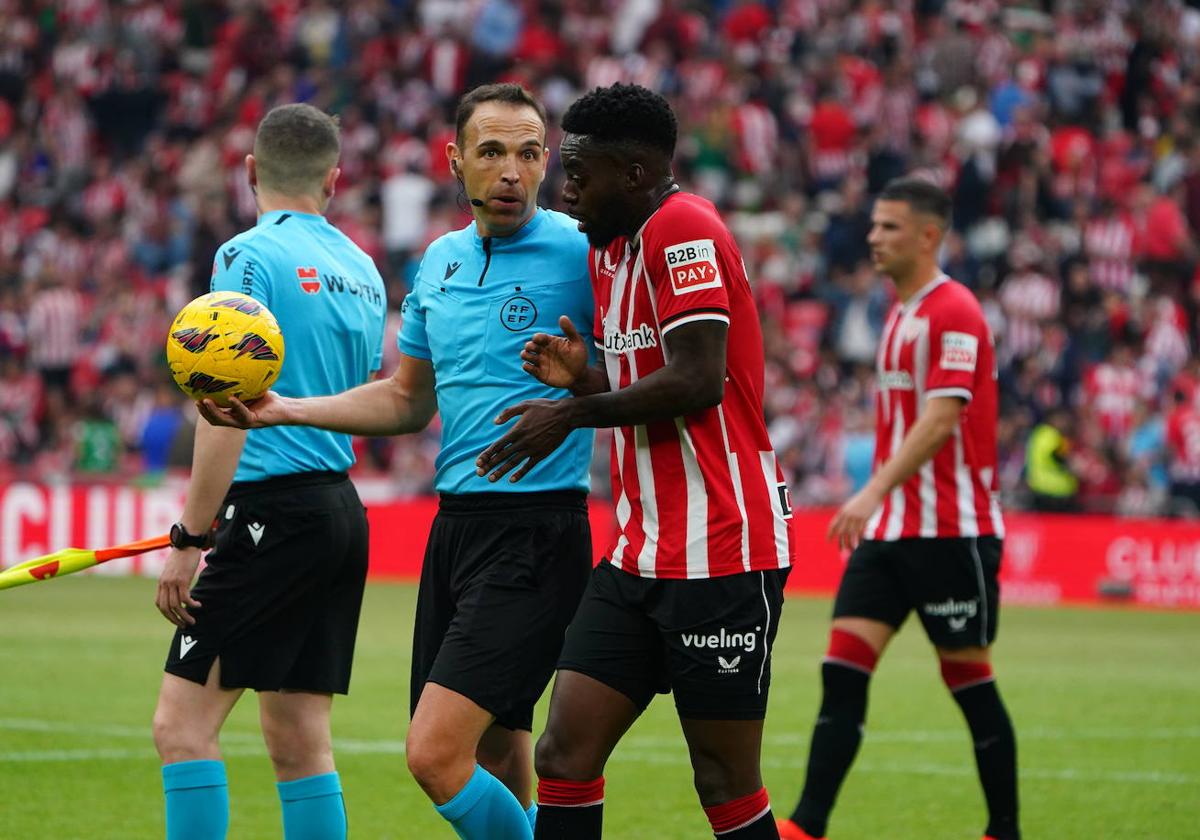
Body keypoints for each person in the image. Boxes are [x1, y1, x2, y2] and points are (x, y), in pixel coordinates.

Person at [200, 83, 595, 840]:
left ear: (547, 162)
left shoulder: (583, 251)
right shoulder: (439, 264)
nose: (510, 170)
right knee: (495, 748)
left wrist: (583, 381)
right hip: (457, 533)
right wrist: (286, 408)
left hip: (539, 531)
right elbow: (408, 401)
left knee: (433, 756)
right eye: (490, 152)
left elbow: (639, 375)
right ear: (455, 160)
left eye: (527, 153)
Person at [475, 83, 794, 840]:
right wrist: (584, 380)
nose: (566, 188)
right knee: (564, 753)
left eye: (581, 172)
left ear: (638, 174)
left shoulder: (683, 228)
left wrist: (574, 413)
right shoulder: (613, 249)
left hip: (722, 548)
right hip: (640, 552)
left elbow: (698, 379)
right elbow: (652, 385)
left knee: (722, 778)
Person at [151, 103, 387, 840]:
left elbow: (225, 403)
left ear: (251, 171)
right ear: (334, 180)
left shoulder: (245, 254)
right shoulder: (364, 268)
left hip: (272, 514)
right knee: (298, 742)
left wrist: (189, 537)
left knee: (180, 726)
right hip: (339, 512)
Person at [772, 178, 1020, 840]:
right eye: (874, 226)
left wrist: (870, 488)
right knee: (841, 668)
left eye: (888, 228)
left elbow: (942, 420)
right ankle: (808, 825)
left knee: (967, 678)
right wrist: (881, 502)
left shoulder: (955, 310)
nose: (874, 237)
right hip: (890, 534)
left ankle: (1004, 830)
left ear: (929, 235)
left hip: (951, 532)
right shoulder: (897, 313)